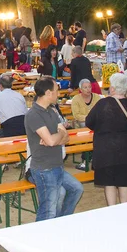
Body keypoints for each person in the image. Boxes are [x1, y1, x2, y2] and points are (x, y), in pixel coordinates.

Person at [25, 76, 83, 221]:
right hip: (44, 169)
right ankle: (43, 234)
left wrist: (57, 136)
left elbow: (65, 137)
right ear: (48, 93)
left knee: (76, 189)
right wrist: (58, 136)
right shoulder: (33, 114)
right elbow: (51, 141)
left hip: (57, 166)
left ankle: (61, 221)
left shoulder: (52, 111)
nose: (59, 93)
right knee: (48, 210)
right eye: (57, 91)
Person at [86, 73, 127, 206]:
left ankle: (111, 209)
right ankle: (124, 208)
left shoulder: (102, 104)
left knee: (109, 183)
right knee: (125, 182)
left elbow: (89, 122)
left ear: (114, 88)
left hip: (105, 151)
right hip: (126, 151)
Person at [71, 78, 102, 171]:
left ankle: (93, 159)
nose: (88, 89)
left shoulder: (97, 97)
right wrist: (90, 117)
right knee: (85, 127)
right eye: (85, 87)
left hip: (95, 124)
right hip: (80, 126)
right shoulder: (76, 99)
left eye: (89, 87)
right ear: (80, 89)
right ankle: (85, 160)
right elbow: (76, 115)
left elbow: (100, 112)